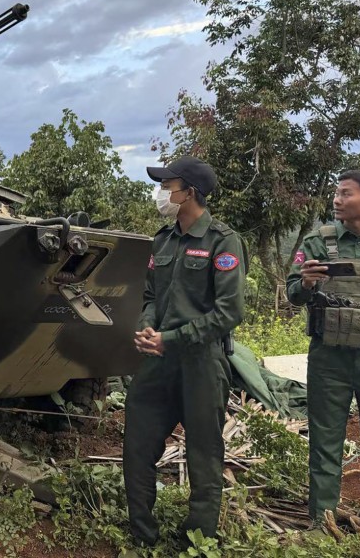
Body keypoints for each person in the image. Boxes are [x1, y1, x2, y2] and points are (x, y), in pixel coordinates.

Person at [123, 155, 246, 550]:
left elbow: (230, 312)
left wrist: (170, 339)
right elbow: (149, 294)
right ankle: (143, 535)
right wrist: (147, 326)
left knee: (204, 455)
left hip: (202, 363)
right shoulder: (163, 239)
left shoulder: (223, 242)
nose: (162, 193)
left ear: (188, 192)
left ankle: (198, 541)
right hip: (157, 361)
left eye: (167, 185)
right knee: (137, 446)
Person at [286, 169, 360, 523]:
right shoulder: (318, 241)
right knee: (324, 445)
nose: (337, 199)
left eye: (346, 193)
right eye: (336, 192)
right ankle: (322, 525)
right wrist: (305, 283)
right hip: (329, 359)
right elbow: (294, 293)